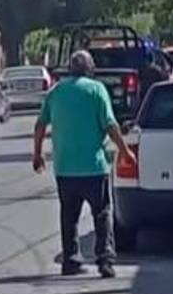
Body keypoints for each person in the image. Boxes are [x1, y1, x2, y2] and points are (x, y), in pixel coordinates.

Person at [33, 50, 129, 278]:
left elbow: (40, 125)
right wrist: (125, 150)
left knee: (69, 215)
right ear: (90, 69)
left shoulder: (56, 92)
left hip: (65, 167)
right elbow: (109, 124)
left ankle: (70, 260)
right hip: (94, 167)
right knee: (102, 213)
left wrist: (37, 154)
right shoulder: (96, 90)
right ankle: (104, 260)